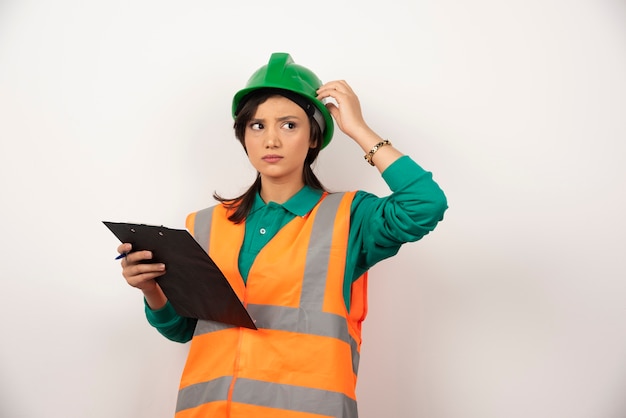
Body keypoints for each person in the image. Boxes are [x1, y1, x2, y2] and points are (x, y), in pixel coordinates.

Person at [118, 52, 447, 418]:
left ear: (313, 137)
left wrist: (357, 129)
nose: (271, 140)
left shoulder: (349, 218)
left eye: (289, 125)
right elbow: (185, 330)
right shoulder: (205, 225)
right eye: (257, 126)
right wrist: (151, 290)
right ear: (243, 135)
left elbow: (425, 204)